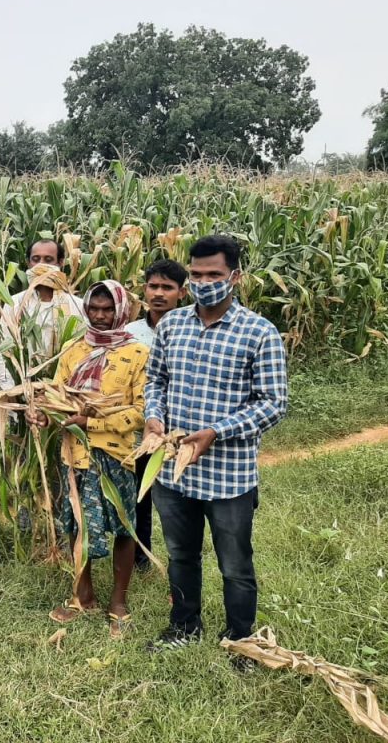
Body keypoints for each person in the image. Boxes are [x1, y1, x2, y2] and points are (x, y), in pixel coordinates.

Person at [143, 234, 288, 668]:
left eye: (215, 274)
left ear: (235, 277)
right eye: (198, 274)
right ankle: (184, 626)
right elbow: (156, 381)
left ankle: (241, 641)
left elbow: (272, 403)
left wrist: (214, 432)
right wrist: (154, 417)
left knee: (235, 566)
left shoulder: (259, 333)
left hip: (229, 476)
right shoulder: (171, 325)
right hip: (173, 472)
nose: (205, 282)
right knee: (182, 555)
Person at [28, 280, 147, 638]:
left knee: (123, 527)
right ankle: (83, 595)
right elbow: (59, 399)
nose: (99, 316)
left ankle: (119, 601)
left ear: (121, 311)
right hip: (75, 454)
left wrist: (92, 421)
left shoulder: (138, 354)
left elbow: (141, 412)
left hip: (116, 455)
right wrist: (45, 416)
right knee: (76, 523)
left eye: (107, 309)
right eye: (93, 309)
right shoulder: (73, 350)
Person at [125, 259, 187, 571]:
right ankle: (141, 558)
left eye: (167, 287)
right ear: (144, 289)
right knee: (140, 498)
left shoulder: (191, 330)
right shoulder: (129, 332)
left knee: (177, 503)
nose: (159, 293)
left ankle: (182, 561)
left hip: (179, 435)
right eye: (153, 286)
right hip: (140, 433)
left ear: (182, 292)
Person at [0, 238, 86, 391]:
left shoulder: (77, 305)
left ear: (60, 263)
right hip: (23, 389)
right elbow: (4, 351)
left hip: (65, 393)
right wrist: (11, 391)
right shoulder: (15, 304)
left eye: (48, 260)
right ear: (28, 263)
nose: (41, 265)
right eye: (36, 259)